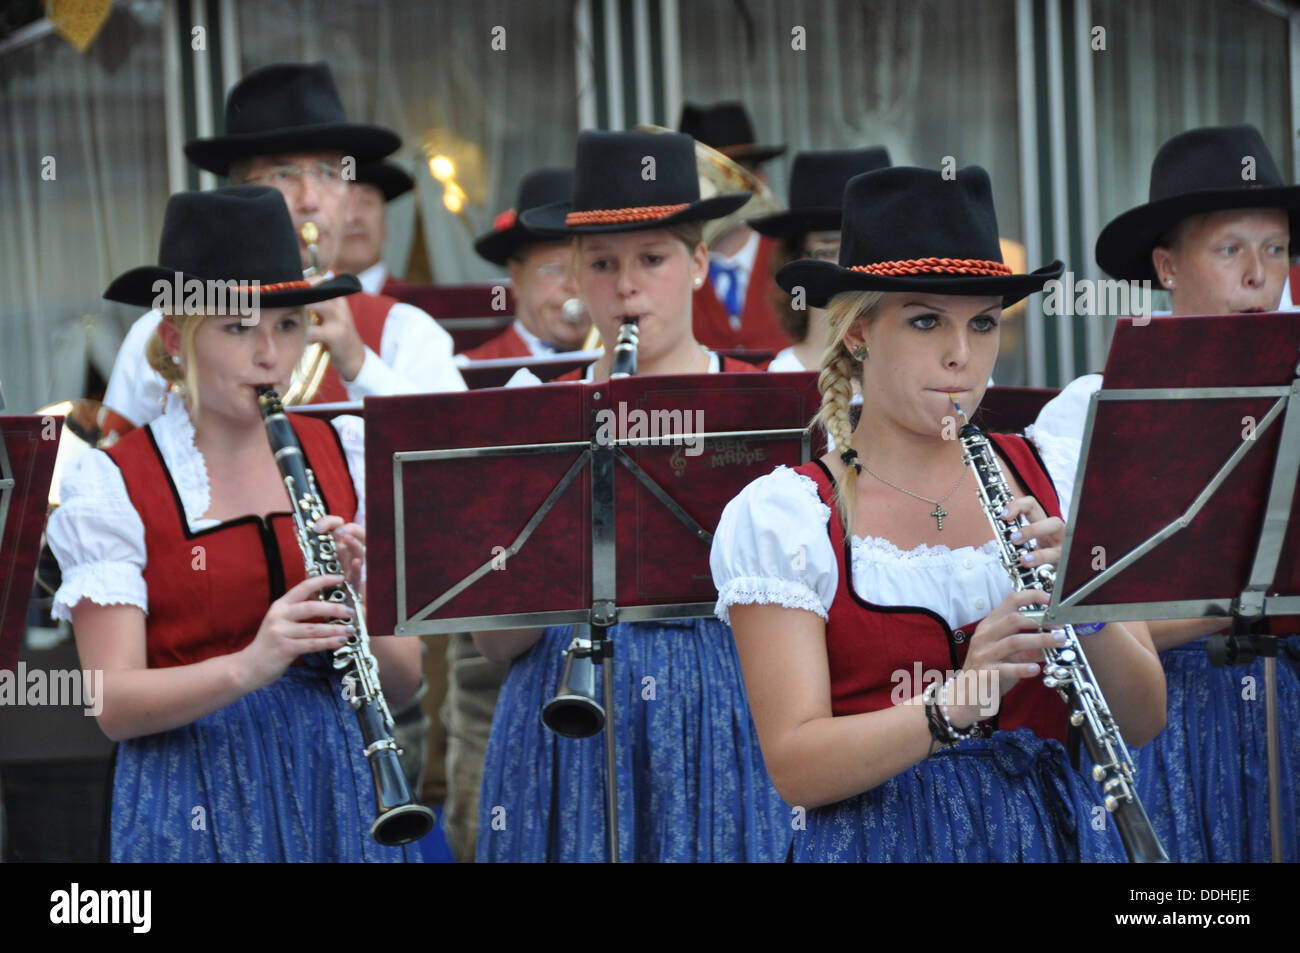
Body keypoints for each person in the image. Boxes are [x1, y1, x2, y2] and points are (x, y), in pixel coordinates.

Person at [711, 165, 1167, 862]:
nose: (961, 355)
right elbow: (795, 765)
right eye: (926, 320)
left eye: (982, 323)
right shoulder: (788, 518)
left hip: (1051, 840)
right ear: (858, 332)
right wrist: (956, 700)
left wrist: (1086, 604)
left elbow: (1143, 718)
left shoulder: (1059, 472)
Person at [46, 186, 424, 861]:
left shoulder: (347, 451)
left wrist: (364, 597)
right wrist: (252, 663)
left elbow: (402, 681)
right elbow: (111, 703)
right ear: (174, 337)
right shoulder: (114, 481)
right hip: (193, 792)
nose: (270, 354)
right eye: (239, 327)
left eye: (287, 324)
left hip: (338, 782)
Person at [472, 130, 789, 861]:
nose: (626, 287)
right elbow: (496, 643)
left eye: (653, 259)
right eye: (604, 264)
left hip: (723, 706)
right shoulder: (530, 409)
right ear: (577, 274)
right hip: (563, 712)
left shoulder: (766, 405)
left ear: (700, 263)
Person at [1035, 123, 1300, 862]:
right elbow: (1084, 619)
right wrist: (1236, 608)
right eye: (1229, 249)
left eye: (1276, 248)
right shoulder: (1090, 411)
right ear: (1166, 264)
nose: (1259, 274)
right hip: (1159, 727)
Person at [104, 61, 464, 427]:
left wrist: (359, 366)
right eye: (283, 174)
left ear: (349, 195)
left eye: (328, 173)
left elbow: (461, 459)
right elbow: (121, 461)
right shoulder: (162, 329)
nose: (310, 200)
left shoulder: (405, 333)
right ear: (238, 190)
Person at [749, 147, 892, 372]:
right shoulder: (778, 379)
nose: (848, 267)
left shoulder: (913, 381)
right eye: (828, 252)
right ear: (796, 260)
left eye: (866, 248)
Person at [678, 101, 792, 352]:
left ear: (759, 180)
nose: (711, 193)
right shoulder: (673, 268)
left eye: (727, 178)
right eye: (701, 179)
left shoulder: (792, 256)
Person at [461, 168, 591, 361]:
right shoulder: (465, 373)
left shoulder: (632, 365)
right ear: (517, 277)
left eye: (593, 267)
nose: (574, 285)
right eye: (555, 268)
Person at [337, 160, 416, 296]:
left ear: (385, 219)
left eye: (366, 202)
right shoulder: (300, 308)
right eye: (341, 205)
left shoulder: (416, 309)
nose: (354, 217)